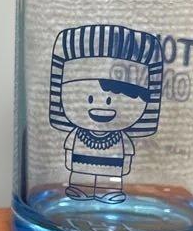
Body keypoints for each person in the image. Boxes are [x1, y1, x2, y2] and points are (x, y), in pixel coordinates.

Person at [48, 24, 163, 203]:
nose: (101, 107)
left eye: (112, 99)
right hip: (80, 170)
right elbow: (69, 149)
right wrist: (69, 163)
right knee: (80, 179)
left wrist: (125, 168)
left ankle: (110, 192)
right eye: (90, 98)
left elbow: (128, 154)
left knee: (111, 183)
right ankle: (79, 188)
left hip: (113, 171)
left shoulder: (121, 138)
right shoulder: (77, 135)